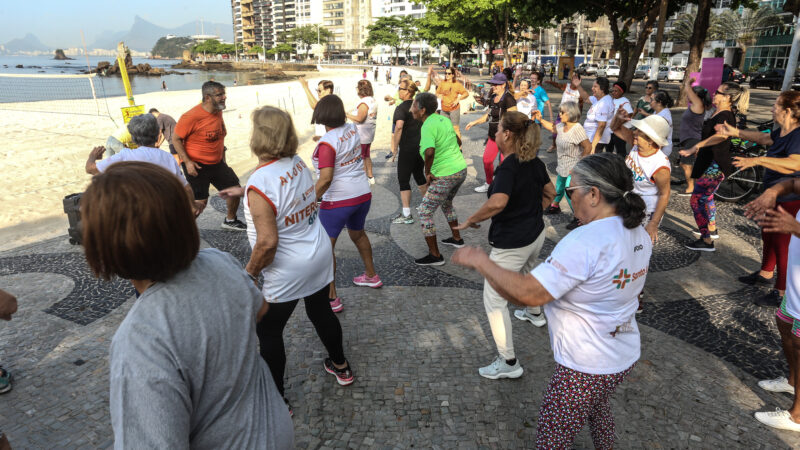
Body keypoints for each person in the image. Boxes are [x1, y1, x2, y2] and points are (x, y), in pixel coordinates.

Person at [82, 162, 293, 448]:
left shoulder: (141, 341)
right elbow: (260, 310)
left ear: (103, 250)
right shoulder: (222, 262)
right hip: (274, 431)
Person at [452, 153, 652, 449]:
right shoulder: (638, 231)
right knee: (597, 409)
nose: (568, 198)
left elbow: (529, 294)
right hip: (621, 354)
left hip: (586, 364)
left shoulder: (585, 241)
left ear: (594, 194)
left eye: (572, 191)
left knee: (552, 438)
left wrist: (482, 262)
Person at [220, 106, 355, 410]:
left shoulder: (262, 182)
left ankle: (277, 399)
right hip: (317, 253)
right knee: (321, 311)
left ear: (259, 137)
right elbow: (285, 193)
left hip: (288, 268)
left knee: (268, 329)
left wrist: (249, 274)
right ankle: (341, 365)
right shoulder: (296, 162)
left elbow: (267, 243)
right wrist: (245, 192)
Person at [455, 112, 555, 379]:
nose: (496, 134)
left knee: (494, 299)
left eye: (498, 129)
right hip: (536, 235)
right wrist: (533, 214)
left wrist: (470, 221)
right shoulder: (534, 162)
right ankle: (534, 312)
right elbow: (551, 192)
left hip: (513, 243)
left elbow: (498, 202)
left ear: (508, 134)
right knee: (528, 271)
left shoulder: (509, 167)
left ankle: (508, 362)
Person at [716, 91, 800, 307]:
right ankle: (765, 273)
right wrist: (735, 131)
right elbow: (764, 138)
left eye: (776, 105)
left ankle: (781, 293)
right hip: (772, 192)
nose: (772, 108)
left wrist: (758, 161)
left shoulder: (798, 135)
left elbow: (795, 164)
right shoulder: (782, 130)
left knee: (782, 244)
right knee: (768, 235)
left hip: (789, 197)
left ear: (788, 111)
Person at [312, 95, 382, 312]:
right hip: (362, 194)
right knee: (358, 234)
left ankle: (332, 297)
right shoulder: (351, 128)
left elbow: (325, 179)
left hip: (338, 200)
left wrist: (309, 201)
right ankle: (371, 275)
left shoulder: (327, 143)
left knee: (325, 248)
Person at [745, 177, 800, 432]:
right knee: (784, 324)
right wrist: (771, 192)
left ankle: (797, 416)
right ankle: (792, 382)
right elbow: (792, 182)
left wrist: (796, 228)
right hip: (797, 282)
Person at [679, 81, 750, 251]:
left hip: (716, 165)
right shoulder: (718, 112)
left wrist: (697, 146)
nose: (714, 93)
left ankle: (706, 241)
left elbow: (721, 137)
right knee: (707, 197)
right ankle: (711, 229)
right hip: (710, 162)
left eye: (718, 92)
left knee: (697, 199)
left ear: (728, 97)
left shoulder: (725, 116)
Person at [172, 81, 246, 230]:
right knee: (200, 203)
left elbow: (219, 135)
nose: (224, 97)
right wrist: (187, 162)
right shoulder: (191, 116)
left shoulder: (217, 110)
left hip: (217, 163)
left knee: (234, 190)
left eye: (224, 94)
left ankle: (230, 221)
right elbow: (176, 139)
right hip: (197, 165)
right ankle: (184, 231)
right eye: (219, 95)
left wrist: (222, 157)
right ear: (207, 97)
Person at [411, 92, 468, 265]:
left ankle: (435, 255)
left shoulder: (427, 125)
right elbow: (458, 142)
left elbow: (429, 152)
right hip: (460, 169)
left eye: (414, 106)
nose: (411, 109)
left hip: (446, 175)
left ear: (422, 110)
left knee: (425, 211)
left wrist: (427, 172)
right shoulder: (443, 119)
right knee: (446, 203)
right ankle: (456, 238)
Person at [536, 102, 591, 230]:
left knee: (569, 193)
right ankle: (555, 206)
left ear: (571, 113)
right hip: (562, 165)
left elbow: (588, 147)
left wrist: (579, 165)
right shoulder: (561, 125)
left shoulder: (577, 128)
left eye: (562, 112)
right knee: (559, 188)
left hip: (573, 167)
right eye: (559, 111)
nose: (559, 114)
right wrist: (540, 119)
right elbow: (552, 128)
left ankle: (580, 218)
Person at [465, 73, 517, 193]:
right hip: (493, 136)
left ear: (503, 85)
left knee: (504, 164)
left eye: (497, 84)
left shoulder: (509, 98)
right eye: (493, 84)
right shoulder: (493, 97)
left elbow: (514, 118)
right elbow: (487, 116)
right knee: (487, 160)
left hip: (505, 138)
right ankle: (489, 183)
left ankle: (505, 188)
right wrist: (474, 122)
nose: (494, 86)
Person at [390, 79, 428, 224]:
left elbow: (399, 127)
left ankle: (406, 214)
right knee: (419, 175)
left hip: (407, 149)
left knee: (403, 179)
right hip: (420, 146)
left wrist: (395, 147)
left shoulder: (401, 107)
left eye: (400, 88)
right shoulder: (419, 105)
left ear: (408, 91)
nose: (398, 90)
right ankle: (426, 206)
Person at [675, 78, 712, 196]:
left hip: (693, 139)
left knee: (686, 164)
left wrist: (688, 83)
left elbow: (688, 90)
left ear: (696, 95)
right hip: (689, 139)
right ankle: (694, 186)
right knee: (686, 164)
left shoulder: (698, 104)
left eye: (692, 93)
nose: (689, 95)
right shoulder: (696, 105)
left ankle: (691, 188)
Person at [346, 80, 378, 184]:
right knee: (367, 155)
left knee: (362, 157)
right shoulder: (372, 100)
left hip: (362, 135)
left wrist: (346, 115)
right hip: (369, 133)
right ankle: (370, 177)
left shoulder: (364, 102)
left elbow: (360, 118)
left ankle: (364, 180)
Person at [575, 76, 615, 154]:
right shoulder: (599, 98)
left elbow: (601, 126)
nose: (592, 88)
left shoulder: (604, 103)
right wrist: (578, 86)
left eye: (595, 86)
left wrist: (592, 146)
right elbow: (586, 98)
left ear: (602, 89)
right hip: (590, 138)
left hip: (595, 141)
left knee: (588, 163)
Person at [545, 74, 584, 153]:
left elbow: (581, 104)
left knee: (569, 133)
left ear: (579, 81)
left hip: (572, 116)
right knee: (555, 130)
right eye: (573, 78)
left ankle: (568, 148)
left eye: (576, 79)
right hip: (561, 114)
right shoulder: (567, 86)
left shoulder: (579, 92)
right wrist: (550, 82)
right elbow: (558, 85)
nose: (574, 80)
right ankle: (554, 145)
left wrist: (578, 116)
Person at [436, 66, 470, 140]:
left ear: (453, 75)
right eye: (446, 73)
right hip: (444, 109)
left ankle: (459, 147)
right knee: (444, 128)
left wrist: (458, 99)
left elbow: (466, 93)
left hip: (454, 109)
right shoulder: (442, 83)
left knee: (455, 128)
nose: (447, 75)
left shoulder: (457, 84)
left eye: (449, 73)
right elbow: (437, 93)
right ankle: (447, 146)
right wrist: (439, 95)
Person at [299, 77, 334, 141]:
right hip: (324, 139)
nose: (318, 92)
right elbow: (313, 106)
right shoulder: (325, 101)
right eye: (317, 90)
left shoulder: (330, 101)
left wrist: (305, 87)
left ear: (328, 90)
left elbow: (315, 106)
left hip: (329, 140)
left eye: (320, 90)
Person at [606, 81, 634, 157]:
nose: (613, 93)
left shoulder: (625, 101)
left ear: (621, 92)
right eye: (612, 91)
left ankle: (621, 165)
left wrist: (617, 125)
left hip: (620, 130)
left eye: (616, 91)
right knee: (608, 148)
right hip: (612, 129)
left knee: (620, 150)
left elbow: (629, 115)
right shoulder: (613, 100)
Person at [648, 90, 674, 156]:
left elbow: (662, 139)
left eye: (651, 99)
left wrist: (655, 153)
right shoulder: (658, 112)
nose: (649, 101)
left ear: (659, 102)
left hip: (661, 150)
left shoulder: (664, 116)